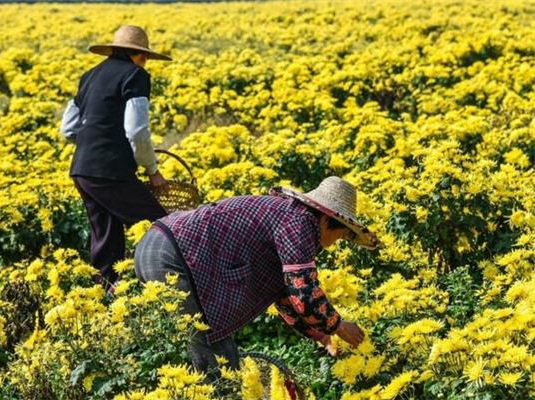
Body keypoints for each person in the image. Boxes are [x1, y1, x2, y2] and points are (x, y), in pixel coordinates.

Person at [134, 176, 380, 379]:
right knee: (211, 362)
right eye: (337, 237)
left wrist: (322, 335)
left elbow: (287, 297)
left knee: (216, 352)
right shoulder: (300, 223)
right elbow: (303, 293)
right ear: (326, 220)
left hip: (159, 245)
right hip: (170, 255)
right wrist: (339, 326)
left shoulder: (293, 219)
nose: (332, 245)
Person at [60, 25, 170, 287]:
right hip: (109, 172)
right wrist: (152, 170)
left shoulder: (89, 75)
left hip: (82, 170)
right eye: (144, 57)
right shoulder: (136, 75)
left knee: (105, 236)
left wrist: (96, 140)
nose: (144, 63)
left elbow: (68, 128)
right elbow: (137, 130)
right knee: (162, 227)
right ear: (139, 55)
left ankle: (106, 296)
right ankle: (169, 288)